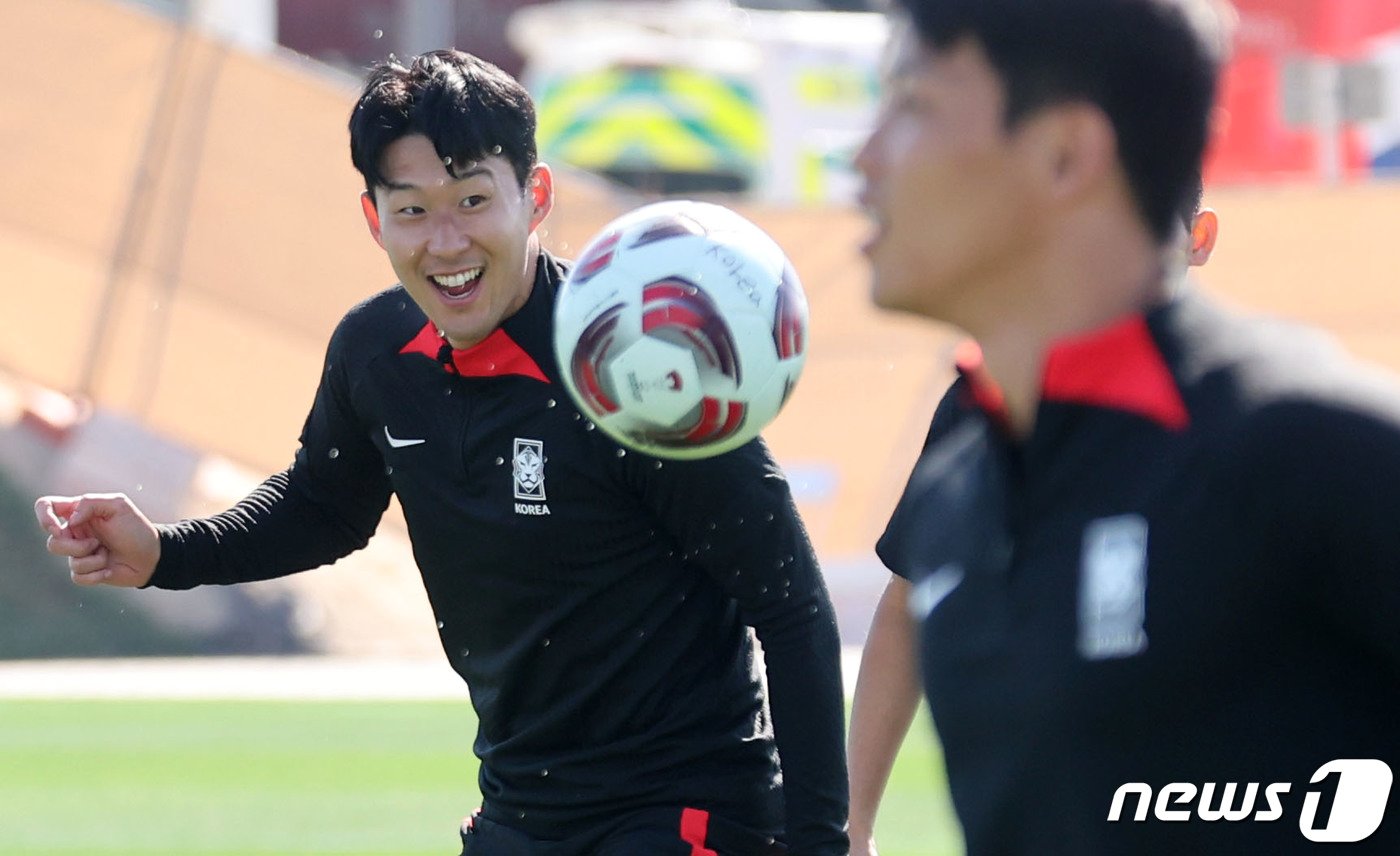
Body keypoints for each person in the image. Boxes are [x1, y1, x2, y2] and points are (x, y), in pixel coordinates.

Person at [34, 50, 849, 856]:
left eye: (471, 200)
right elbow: (325, 507)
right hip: (521, 813)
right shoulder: (375, 351)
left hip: (684, 815)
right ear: (373, 218)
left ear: (535, 198)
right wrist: (165, 555)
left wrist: (820, 845)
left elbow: (791, 605)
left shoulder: (634, 365)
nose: (447, 242)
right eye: (414, 210)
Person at [851, 0, 1400, 853]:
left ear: (1066, 153)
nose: (864, 155)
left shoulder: (1309, 448)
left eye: (914, 106)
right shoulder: (958, 488)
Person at [846, 185, 1219, 856]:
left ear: (1201, 238)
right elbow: (908, 604)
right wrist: (853, 817)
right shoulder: (986, 400)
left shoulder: (1269, 418)